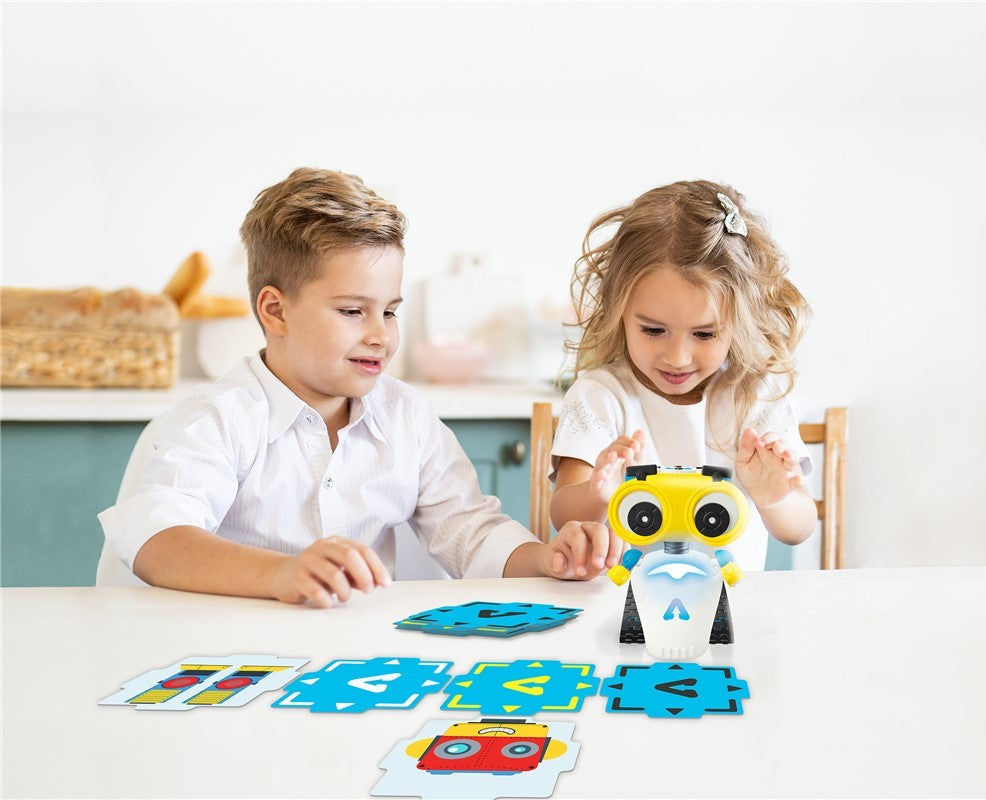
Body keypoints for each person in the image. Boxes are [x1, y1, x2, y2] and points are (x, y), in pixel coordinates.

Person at [99, 167, 619, 607]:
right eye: (352, 311)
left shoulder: (408, 417)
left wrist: (547, 560)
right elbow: (158, 539)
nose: (380, 335)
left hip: (358, 662)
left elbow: (473, 534)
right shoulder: (220, 417)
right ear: (275, 311)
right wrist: (281, 575)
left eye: (389, 311)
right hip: (236, 658)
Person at [549, 180, 816, 571]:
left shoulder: (756, 394)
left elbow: (800, 527)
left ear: (738, 322)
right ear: (619, 311)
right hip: (624, 598)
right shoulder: (600, 396)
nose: (677, 357)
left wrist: (774, 498)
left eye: (704, 334)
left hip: (730, 599)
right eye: (653, 330)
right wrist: (596, 493)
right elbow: (563, 514)